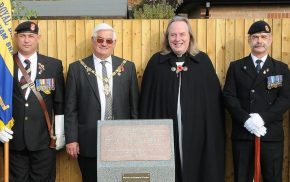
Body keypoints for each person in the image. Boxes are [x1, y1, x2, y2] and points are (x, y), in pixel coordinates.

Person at [139, 16, 225, 182]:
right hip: (163, 135)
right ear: (167, 38)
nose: (177, 39)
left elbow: (213, 104)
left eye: (182, 34)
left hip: (196, 132)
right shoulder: (156, 63)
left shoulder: (202, 61)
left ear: (190, 37)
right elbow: (147, 103)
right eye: (173, 35)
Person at [65, 23, 139, 182]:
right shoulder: (77, 69)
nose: (104, 43)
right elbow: (70, 108)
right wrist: (71, 138)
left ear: (114, 43)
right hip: (89, 140)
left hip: (121, 140)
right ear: (93, 41)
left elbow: (134, 107)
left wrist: (135, 138)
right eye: (100, 39)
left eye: (109, 41)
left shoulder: (128, 67)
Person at [223, 20, 290, 182]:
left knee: (272, 177)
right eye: (255, 37)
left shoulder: (280, 68)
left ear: (270, 40)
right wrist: (246, 120)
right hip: (244, 133)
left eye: (263, 36)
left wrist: (262, 118)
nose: (259, 40)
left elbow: (285, 98)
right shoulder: (236, 67)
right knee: (242, 177)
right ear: (249, 40)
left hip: (270, 133)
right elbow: (229, 97)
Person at [1, 21, 65, 182]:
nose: (26, 40)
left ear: (38, 38)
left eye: (31, 36)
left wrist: (61, 132)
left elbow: (59, 102)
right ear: (16, 38)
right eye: (22, 36)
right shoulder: (5, 65)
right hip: (13, 139)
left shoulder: (53, 65)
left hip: (44, 140)